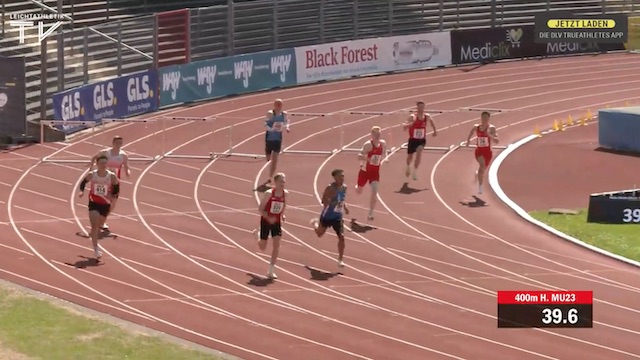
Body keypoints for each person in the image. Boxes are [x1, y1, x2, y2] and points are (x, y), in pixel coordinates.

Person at [78, 154, 119, 259]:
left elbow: (116, 187)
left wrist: (113, 196)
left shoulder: (111, 176)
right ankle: (96, 249)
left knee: (100, 224)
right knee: (95, 226)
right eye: (101, 163)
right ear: (97, 164)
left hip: (105, 204)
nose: (104, 165)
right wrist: (81, 191)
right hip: (94, 202)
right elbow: (83, 182)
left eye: (105, 163)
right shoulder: (93, 175)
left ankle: (91, 234)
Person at [89, 135, 130, 232]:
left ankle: (102, 220)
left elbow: (126, 167)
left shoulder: (123, 155)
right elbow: (95, 157)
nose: (119, 145)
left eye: (120, 143)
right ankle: (99, 220)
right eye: (117, 143)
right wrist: (91, 166)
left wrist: (128, 173)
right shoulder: (106, 153)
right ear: (113, 143)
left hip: (115, 181)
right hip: (104, 180)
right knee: (102, 200)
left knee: (113, 203)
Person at [253, 173, 288, 279]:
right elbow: (261, 209)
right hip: (266, 221)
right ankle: (257, 235)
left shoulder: (285, 193)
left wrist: (282, 215)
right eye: (281, 181)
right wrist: (269, 217)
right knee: (262, 247)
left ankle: (271, 270)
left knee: (276, 245)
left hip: (276, 222)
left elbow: (284, 205)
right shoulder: (269, 193)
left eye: (284, 181)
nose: (283, 183)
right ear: (275, 182)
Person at [311, 169, 349, 267]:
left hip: (337, 216)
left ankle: (340, 260)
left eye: (343, 176)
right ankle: (315, 224)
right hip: (327, 215)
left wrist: (345, 207)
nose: (342, 178)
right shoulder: (330, 188)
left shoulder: (344, 188)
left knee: (341, 237)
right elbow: (323, 200)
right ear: (335, 177)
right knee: (319, 234)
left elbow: (342, 199)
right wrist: (332, 202)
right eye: (340, 176)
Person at [355, 126, 387, 220]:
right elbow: (359, 156)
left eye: (379, 134)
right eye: (376, 134)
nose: (378, 136)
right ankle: (358, 187)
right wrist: (367, 158)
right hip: (365, 171)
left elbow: (383, 152)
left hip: (375, 172)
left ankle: (371, 213)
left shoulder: (383, 144)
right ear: (372, 135)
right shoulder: (368, 145)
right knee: (359, 191)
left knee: (374, 191)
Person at [466, 111, 499, 194]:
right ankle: (480, 187)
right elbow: (471, 133)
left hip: (488, 152)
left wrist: (489, 135)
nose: (484, 119)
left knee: (482, 170)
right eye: (483, 117)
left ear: (488, 118)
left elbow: (497, 141)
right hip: (479, 151)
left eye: (486, 118)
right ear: (481, 118)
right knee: (482, 165)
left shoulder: (491, 128)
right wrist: (468, 141)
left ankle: (477, 174)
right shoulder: (476, 127)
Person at [403, 101, 437, 180]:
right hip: (412, 139)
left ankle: (415, 171)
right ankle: (408, 167)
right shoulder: (413, 117)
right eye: (420, 107)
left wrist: (435, 131)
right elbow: (404, 126)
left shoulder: (426, 116)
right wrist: (409, 125)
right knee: (410, 157)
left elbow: (432, 122)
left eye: (423, 107)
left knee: (419, 151)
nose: (421, 108)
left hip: (421, 140)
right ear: (417, 108)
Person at [263, 99, 289, 185]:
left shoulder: (284, 114)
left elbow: (286, 122)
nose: (278, 106)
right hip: (269, 138)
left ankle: (270, 177)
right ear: (274, 105)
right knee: (268, 158)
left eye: (280, 104)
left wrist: (287, 127)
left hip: (278, 139)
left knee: (275, 160)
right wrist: (270, 129)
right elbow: (265, 123)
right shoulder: (270, 113)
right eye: (277, 104)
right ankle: (269, 168)